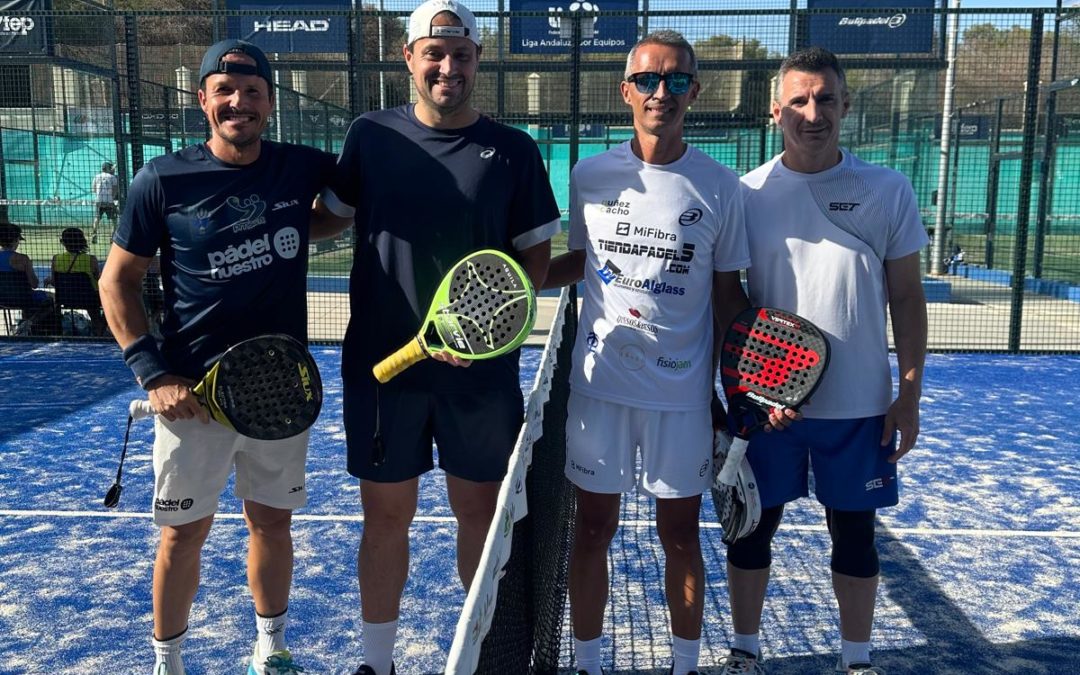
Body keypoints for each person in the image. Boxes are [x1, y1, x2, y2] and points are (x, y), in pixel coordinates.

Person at [310, 1, 560, 672]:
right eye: (435, 53)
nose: (449, 66)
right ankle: (377, 662)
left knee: (479, 514)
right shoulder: (369, 136)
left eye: (462, 55)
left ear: (478, 60)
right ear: (409, 57)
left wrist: (483, 329)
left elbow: (532, 264)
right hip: (382, 367)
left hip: (480, 374)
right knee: (386, 517)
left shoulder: (513, 150)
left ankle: (485, 652)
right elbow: (327, 221)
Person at [98, 38, 350, 675]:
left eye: (253, 92)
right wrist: (153, 374)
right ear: (204, 100)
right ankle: (168, 661)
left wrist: (295, 232)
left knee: (272, 525)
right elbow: (116, 282)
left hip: (277, 390)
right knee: (183, 536)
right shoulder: (162, 178)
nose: (240, 102)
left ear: (270, 102)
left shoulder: (299, 167)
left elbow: (339, 208)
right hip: (191, 400)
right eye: (226, 92)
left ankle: (271, 646)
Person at [544, 30, 752, 675]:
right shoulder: (589, 174)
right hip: (599, 388)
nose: (663, 93)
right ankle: (587, 664)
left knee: (681, 539)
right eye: (650, 80)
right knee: (593, 531)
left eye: (678, 80)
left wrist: (742, 387)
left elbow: (728, 297)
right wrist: (513, 277)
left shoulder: (723, 188)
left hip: (681, 398)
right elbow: (580, 262)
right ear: (626, 90)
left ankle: (684, 666)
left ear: (696, 90)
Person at [716, 46, 928, 675]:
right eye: (800, 100)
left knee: (855, 537)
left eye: (826, 99)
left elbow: (908, 296)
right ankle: (745, 653)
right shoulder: (743, 194)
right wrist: (755, 389)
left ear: (845, 105)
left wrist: (908, 392)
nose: (814, 113)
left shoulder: (887, 189)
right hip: (768, 411)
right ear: (775, 109)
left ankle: (856, 661)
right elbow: (730, 301)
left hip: (860, 407)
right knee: (750, 531)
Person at [0, 220, 60, 335]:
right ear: (16, 240)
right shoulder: (23, 259)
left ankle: (25, 324)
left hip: (1, 299)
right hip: (24, 298)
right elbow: (34, 284)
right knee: (51, 298)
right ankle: (29, 323)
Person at [47, 227, 106, 335]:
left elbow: (55, 282)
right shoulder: (90, 259)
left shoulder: (56, 259)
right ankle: (99, 329)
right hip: (89, 299)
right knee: (105, 305)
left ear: (63, 242)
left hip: (65, 298)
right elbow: (99, 280)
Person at [90, 161, 120, 243]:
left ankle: (94, 233)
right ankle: (112, 236)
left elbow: (93, 189)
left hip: (98, 200)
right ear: (108, 168)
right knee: (114, 220)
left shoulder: (97, 176)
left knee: (97, 218)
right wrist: (111, 197)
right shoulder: (112, 177)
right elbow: (115, 189)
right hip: (109, 201)